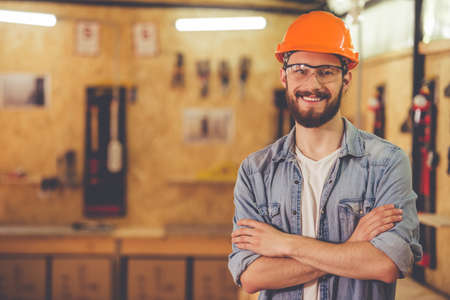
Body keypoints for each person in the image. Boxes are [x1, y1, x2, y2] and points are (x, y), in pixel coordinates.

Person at [228, 10, 422, 300]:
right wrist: (351, 247)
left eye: (326, 72)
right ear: (284, 76)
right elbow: (252, 276)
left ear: (346, 80)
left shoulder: (386, 164)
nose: (313, 84)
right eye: (300, 70)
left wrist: (284, 244)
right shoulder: (256, 171)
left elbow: (386, 264)